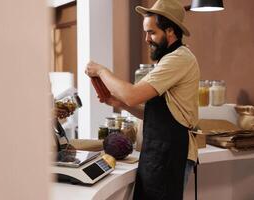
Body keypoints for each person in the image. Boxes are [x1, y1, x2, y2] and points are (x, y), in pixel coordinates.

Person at [85, 0, 199, 199]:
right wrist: (119, 104)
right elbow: (156, 114)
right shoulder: (167, 60)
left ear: (170, 31)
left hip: (171, 154)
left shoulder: (179, 59)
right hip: (157, 153)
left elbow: (132, 95)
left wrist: (102, 71)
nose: (146, 39)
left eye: (151, 32)